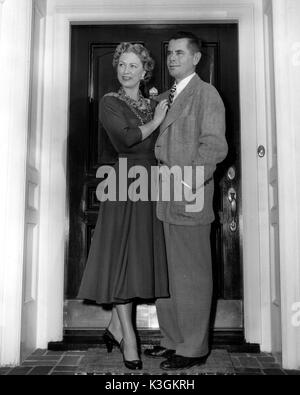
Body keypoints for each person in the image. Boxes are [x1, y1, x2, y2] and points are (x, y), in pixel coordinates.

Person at [77, 42, 169, 370]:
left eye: (133, 65)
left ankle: (115, 327)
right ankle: (130, 338)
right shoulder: (109, 102)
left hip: (152, 184)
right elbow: (127, 139)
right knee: (119, 259)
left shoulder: (152, 100)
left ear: (145, 71)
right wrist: (158, 118)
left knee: (137, 260)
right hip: (124, 181)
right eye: (122, 65)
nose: (126, 70)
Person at [144, 32, 228, 370]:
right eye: (169, 53)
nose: (172, 58)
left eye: (180, 53)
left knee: (191, 273)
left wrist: (187, 184)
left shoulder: (206, 94)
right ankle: (172, 339)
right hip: (162, 195)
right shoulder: (165, 97)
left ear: (196, 58)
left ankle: (193, 347)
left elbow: (214, 147)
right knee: (167, 272)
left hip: (188, 192)